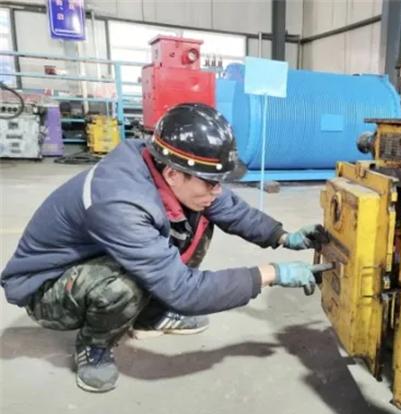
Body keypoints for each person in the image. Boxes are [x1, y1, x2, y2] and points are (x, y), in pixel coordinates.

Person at [1, 103, 328, 393]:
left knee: (198, 218)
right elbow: (183, 290)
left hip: (94, 256)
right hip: (46, 287)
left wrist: (283, 236)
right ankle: (94, 345)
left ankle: (150, 317)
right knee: (121, 287)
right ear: (172, 173)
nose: (217, 190)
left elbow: (227, 207)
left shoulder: (165, 166)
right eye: (210, 182)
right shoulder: (119, 202)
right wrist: (272, 274)